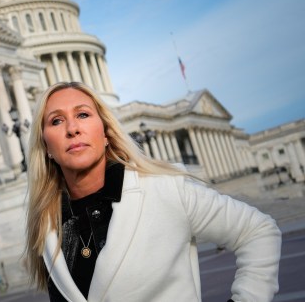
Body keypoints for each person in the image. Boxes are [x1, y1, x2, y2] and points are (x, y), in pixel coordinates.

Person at [24, 82, 281, 301]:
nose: (72, 128)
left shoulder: (164, 190)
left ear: (106, 133)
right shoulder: (48, 226)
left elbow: (257, 231)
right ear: (46, 146)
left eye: (83, 115)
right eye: (56, 120)